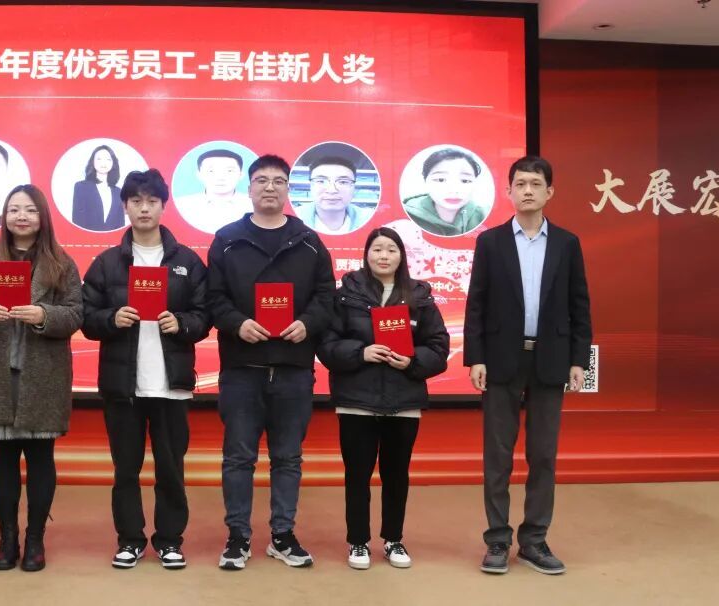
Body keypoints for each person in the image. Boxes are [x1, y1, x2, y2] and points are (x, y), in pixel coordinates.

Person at [206, 154, 336, 570]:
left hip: (294, 369)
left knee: (288, 458)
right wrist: (237, 323)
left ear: (288, 190)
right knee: (238, 458)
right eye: (261, 180)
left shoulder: (309, 241)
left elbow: (326, 297)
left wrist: (307, 323)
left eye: (278, 181)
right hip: (242, 370)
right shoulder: (227, 239)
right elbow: (213, 298)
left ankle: (283, 535)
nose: (269, 187)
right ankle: (238, 537)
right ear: (249, 189)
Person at [464, 156, 592, 575]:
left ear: (550, 192)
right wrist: (475, 357)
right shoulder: (490, 242)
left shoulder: (567, 243)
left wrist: (579, 360)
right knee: (497, 455)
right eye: (520, 184)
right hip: (502, 357)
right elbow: (476, 304)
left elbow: (579, 305)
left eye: (536, 184)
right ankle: (497, 540)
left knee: (543, 455)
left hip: (551, 358)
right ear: (509, 191)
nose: (528, 191)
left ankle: (535, 540)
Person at [82, 169, 210, 570]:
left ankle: (170, 540)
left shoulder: (187, 261)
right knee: (126, 468)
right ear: (125, 206)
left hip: (172, 385)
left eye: (152, 201)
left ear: (163, 206)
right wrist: (111, 318)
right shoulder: (107, 263)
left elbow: (205, 315)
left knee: (171, 469)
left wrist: (182, 323)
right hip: (123, 385)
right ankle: (130, 539)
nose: (144, 208)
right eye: (136, 201)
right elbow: (85, 317)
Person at [0, 184, 83, 573]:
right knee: (3, 460)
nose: (21, 216)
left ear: (42, 216)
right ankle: (8, 539)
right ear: (5, 217)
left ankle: (35, 540)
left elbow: (76, 314)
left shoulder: (62, 263)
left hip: (42, 376)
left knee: (41, 459)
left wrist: (44, 315)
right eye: (14, 209)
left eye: (29, 209)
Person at [317, 226, 449, 570]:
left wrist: (412, 361)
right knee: (357, 475)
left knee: (396, 475)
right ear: (366, 254)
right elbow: (326, 345)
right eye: (377, 249)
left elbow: (439, 347)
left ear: (401, 255)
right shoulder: (346, 296)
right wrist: (361, 353)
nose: (384, 256)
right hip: (356, 401)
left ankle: (393, 539)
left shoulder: (419, 296)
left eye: (391, 249)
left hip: (403, 400)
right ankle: (358, 541)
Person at [403, 148, 488, 236]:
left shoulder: (482, 214)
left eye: (465, 181)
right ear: (425, 181)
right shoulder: (407, 216)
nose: (453, 190)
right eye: (441, 180)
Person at [174, 149, 251, 234]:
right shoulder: (183, 204)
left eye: (229, 171)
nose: (220, 177)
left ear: (241, 175)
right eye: (211, 171)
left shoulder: (253, 205)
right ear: (199, 175)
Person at [295, 157, 372, 235]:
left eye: (343, 182)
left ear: (354, 187)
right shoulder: (294, 218)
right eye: (321, 181)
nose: (332, 190)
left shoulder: (369, 219)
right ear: (310, 186)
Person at [71, 144, 125, 231]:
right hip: (87, 238)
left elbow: (120, 225)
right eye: (99, 159)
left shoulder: (119, 192)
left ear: (113, 163)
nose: (103, 163)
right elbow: (77, 221)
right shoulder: (81, 187)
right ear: (93, 162)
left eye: (108, 159)